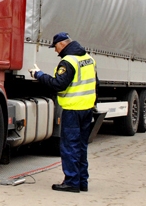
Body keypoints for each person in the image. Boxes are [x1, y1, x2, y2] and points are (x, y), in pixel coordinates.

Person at [29, 32, 97, 193]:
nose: (55, 51)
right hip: (87, 109)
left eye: (55, 47)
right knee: (81, 146)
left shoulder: (68, 62)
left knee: (69, 147)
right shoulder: (88, 58)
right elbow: (96, 83)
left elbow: (58, 85)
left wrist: (38, 75)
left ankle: (72, 182)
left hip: (73, 110)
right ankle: (82, 181)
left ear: (62, 44)